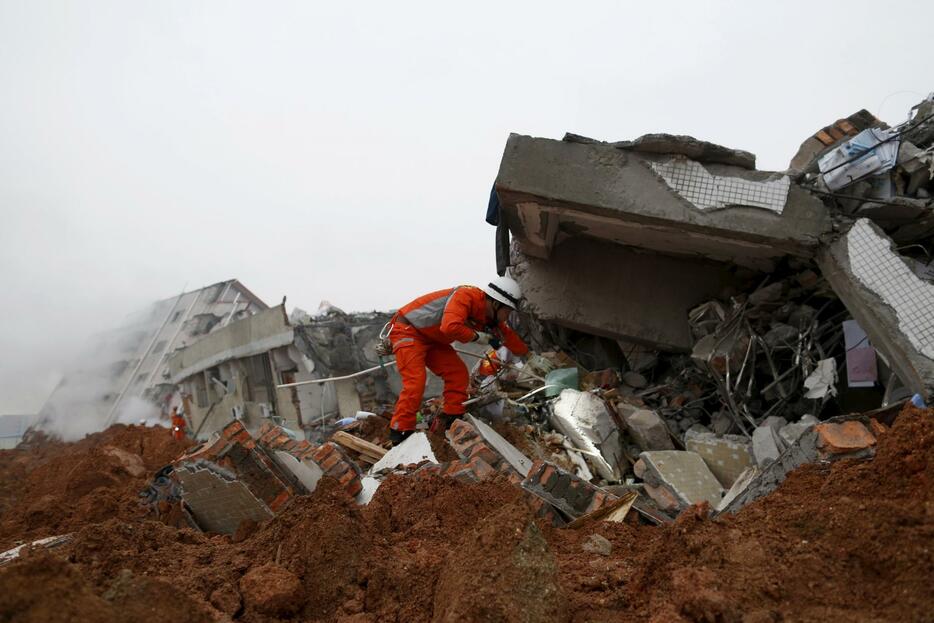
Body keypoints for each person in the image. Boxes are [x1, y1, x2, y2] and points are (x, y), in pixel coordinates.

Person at [386, 276, 528, 445]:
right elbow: (450, 326)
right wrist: (478, 336)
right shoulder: (466, 296)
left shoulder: (490, 317)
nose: (507, 316)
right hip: (408, 331)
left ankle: (452, 420)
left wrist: (530, 357)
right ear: (496, 304)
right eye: (508, 311)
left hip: (433, 339)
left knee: (458, 374)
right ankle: (400, 431)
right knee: (416, 381)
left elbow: (508, 337)